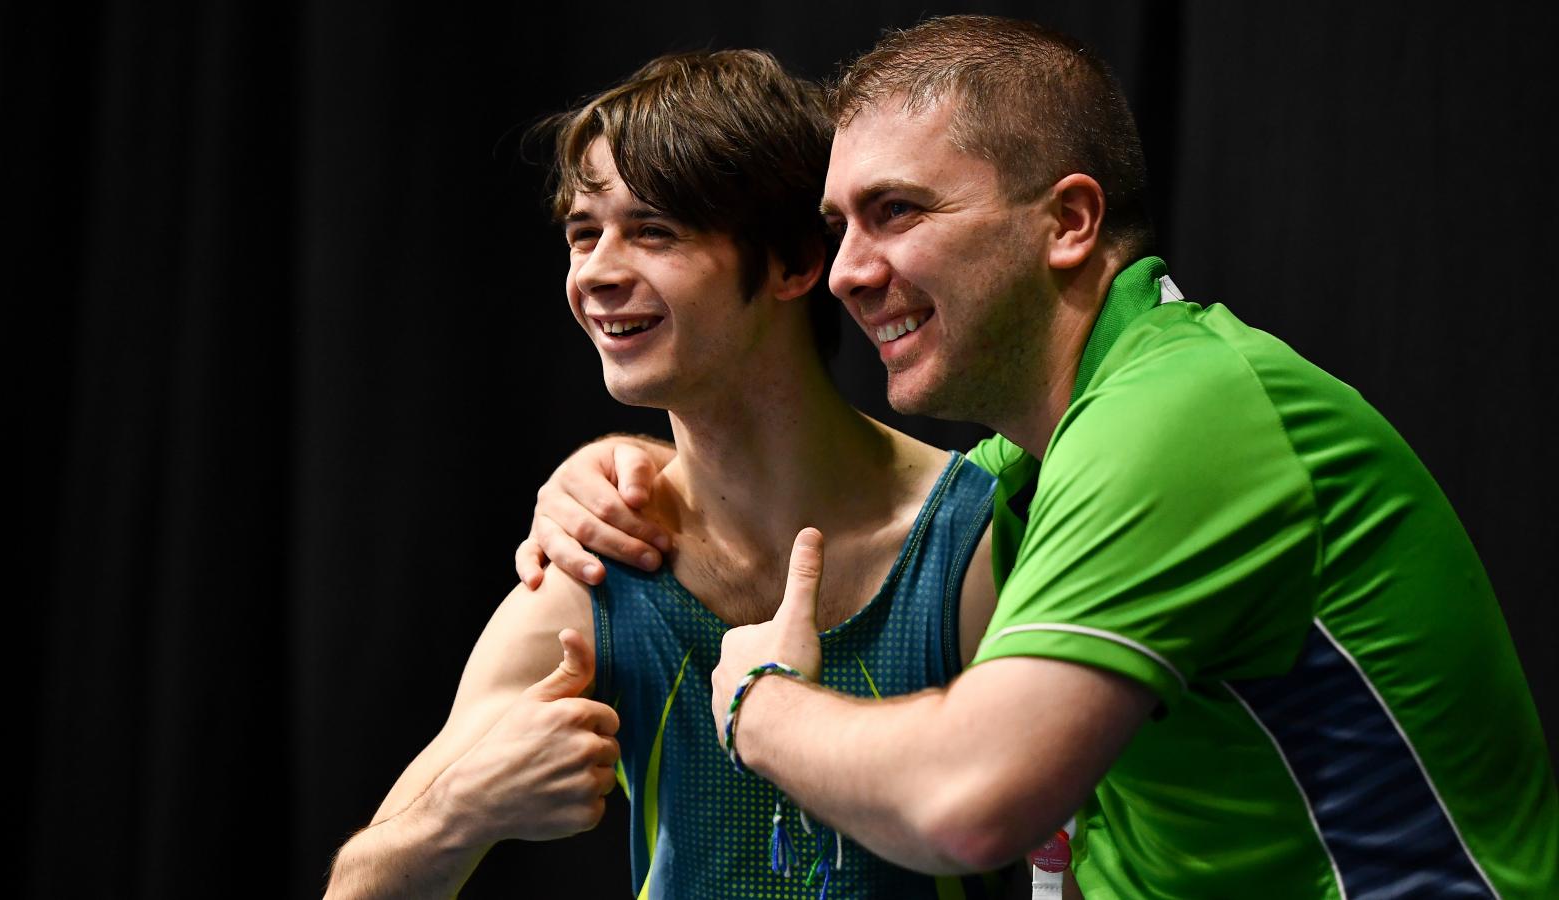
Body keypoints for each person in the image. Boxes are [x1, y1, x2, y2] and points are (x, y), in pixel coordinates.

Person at [518, 16, 1559, 898]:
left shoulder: (1182, 414)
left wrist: (759, 701)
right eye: (838, 226)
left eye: (897, 213)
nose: (846, 272)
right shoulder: (1031, 471)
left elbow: (967, 807)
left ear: (1068, 221)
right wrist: (622, 468)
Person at [325, 49, 1021, 899]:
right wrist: (458, 811)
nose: (598, 273)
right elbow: (359, 887)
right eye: (585, 232)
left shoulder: (975, 539)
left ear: (797, 262)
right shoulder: (593, 571)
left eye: (654, 230)